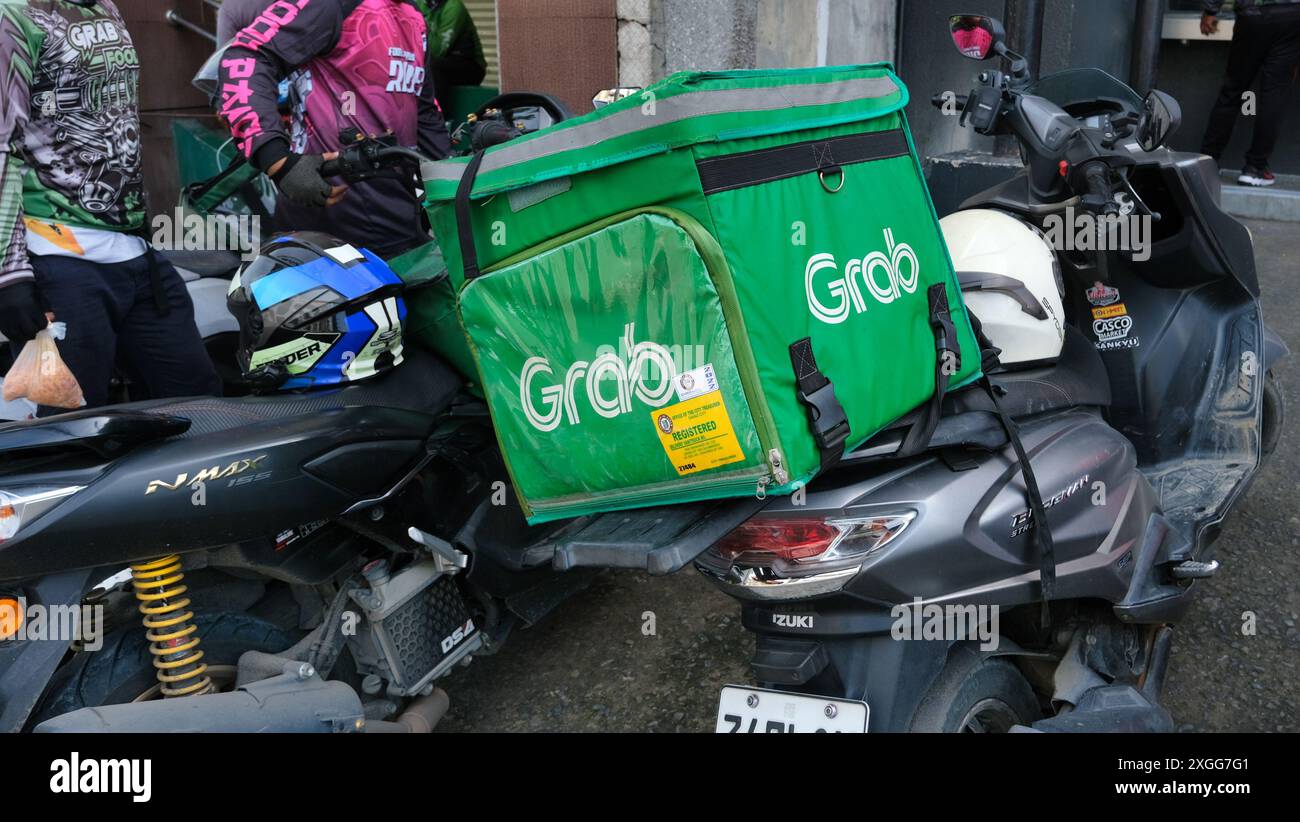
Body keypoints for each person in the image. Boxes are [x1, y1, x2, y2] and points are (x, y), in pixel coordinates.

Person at [0, 0, 221, 409]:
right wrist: (9, 276)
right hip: (58, 257)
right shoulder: (13, 13)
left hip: (136, 254)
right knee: (71, 426)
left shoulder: (104, 6)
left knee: (198, 402)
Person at [217, 0, 451, 260]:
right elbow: (246, 57)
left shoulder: (414, 15)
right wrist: (278, 161)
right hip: (328, 232)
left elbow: (425, 110)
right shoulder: (330, 4)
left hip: (402, 223)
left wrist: (453, 184)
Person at [1200, 0, 1300, 187]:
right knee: (1275, 95)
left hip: (1253, 14)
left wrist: (1210, 10)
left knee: (1232, 92)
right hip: (1292, 15)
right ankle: (1254, 168)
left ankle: (1207, 161)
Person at [413, 0, 487, 114]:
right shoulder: (421, 4)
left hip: (469, 65)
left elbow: (437, 50)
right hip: (441, 61)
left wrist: (417, 26)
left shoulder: (453, 6)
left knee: (432, 66)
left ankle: (437, 116)